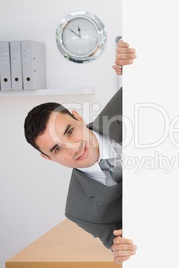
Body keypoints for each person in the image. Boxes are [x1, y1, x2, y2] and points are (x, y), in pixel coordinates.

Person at [23, 40, 137, 264]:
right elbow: (118, 245)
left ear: (78, 118)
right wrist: (121, 249)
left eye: (69, 131)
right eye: (57, 148)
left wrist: (136, 67)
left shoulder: (127, 101)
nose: (73, 147)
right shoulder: (80, 211)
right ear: (47, 158)